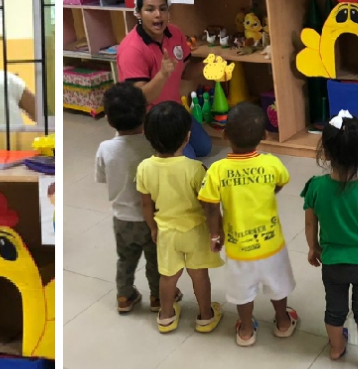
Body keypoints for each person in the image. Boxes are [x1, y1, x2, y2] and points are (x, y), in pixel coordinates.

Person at [302, 110, 358, 369]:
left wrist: (313, 248)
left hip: (332, 262)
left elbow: (310, 223)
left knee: (334, 310)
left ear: (325, 153)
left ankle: (336, 348)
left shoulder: (315, 187)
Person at [201, 102, 298, 346]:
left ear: (225, 134)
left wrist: (215, 234)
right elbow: (280, 183)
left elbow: (210, 206)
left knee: (242, 292)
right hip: (271, 245)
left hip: (238, 248)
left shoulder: (217, 170)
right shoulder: (272, 164)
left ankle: (245, 331)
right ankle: (283, 322)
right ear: (264, 135)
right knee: (278, 285)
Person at [136, 101, 222, 333]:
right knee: (199, 274)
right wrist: (216, 231)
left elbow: (146, 204)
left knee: (167, 276)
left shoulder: (144, 168)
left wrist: (153, 228)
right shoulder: (195, 169)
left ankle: (166, 316)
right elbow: (209, 206)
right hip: (195, 232)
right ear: (187, 137)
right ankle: (205, 316)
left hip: (166, 232)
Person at [116, 0, 211, 158]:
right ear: (138, 13)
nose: (158, 15)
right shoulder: (132, 49)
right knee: (187, 160)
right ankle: (151, 147)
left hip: (174, 109)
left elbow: (185, 72)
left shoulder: (175, 33)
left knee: (205, 147)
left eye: (162, 9)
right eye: (150, 9)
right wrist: (163, 74)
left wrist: (209, 66)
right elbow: (141, 98)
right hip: (151, 120)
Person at [96, 83, 160, 315]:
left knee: (125, 259)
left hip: (122, 218)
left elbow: (102, 177)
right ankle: (158, 297)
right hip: (152, 218)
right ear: (144, 114)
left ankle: (124, 296)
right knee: (155, 260)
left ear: (108, 119)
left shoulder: (105, 148)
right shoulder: (153, 144)